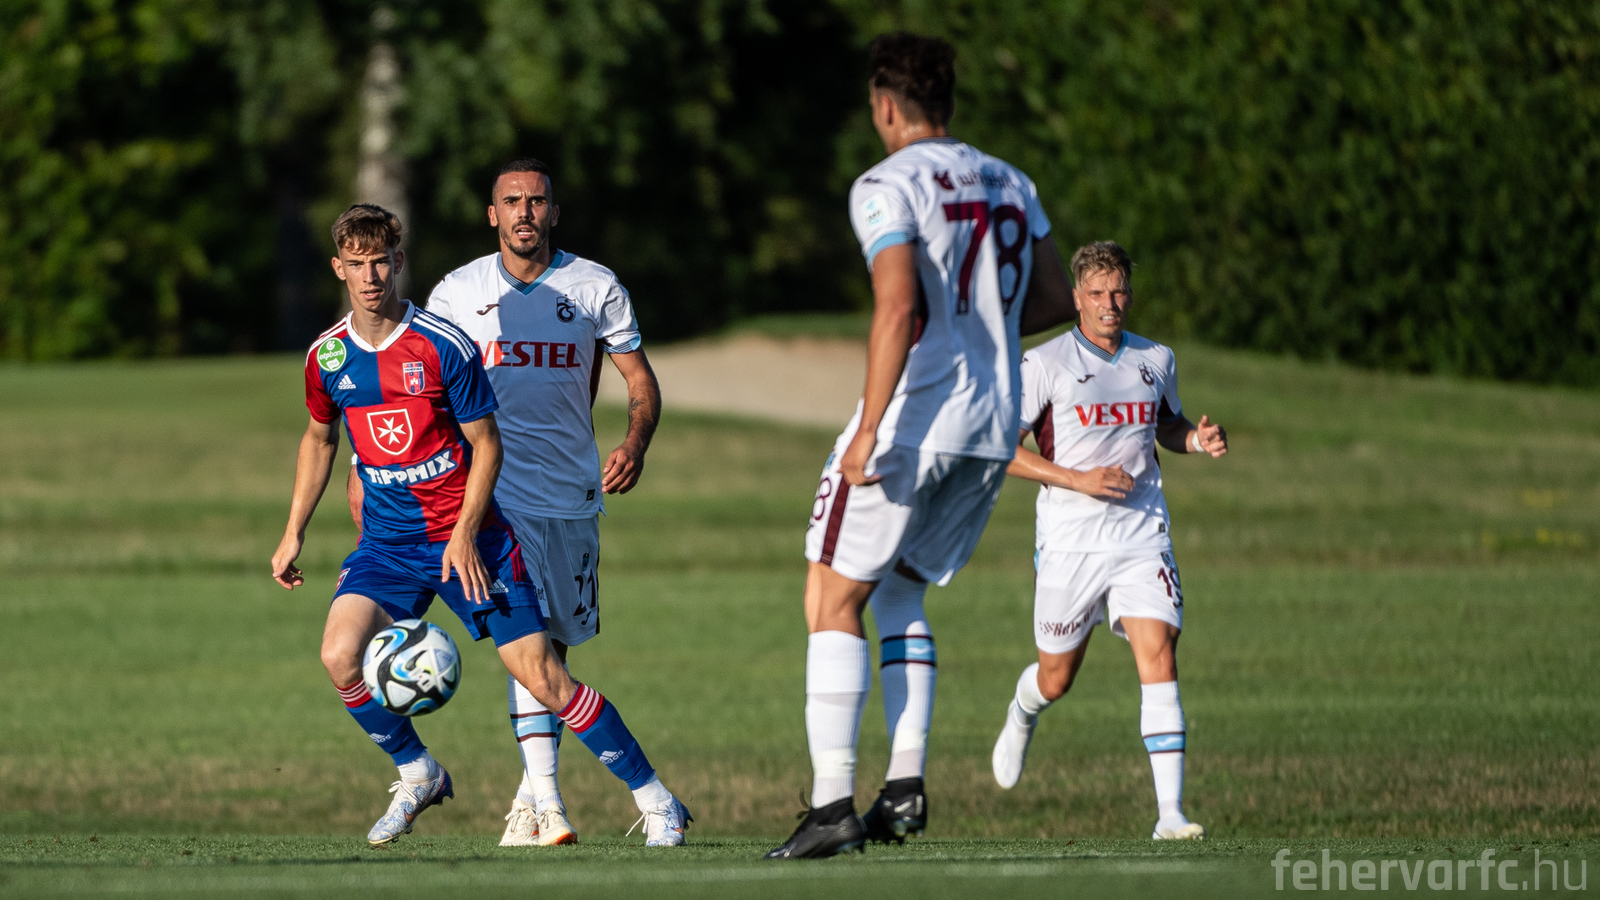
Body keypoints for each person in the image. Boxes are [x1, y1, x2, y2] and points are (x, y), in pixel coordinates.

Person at [273, 204, 689, 848]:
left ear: (398, 261)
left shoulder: (443, 344)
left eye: (380, 262)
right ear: (338, 269)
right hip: (387, 546)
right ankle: (418, 773)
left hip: (472, 541)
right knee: (339, 656)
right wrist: (293, 531)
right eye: (357, 264)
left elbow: (486, 444)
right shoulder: (327, 355)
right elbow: (320, 439)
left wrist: (466, 532)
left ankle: (658, 800)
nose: (371, 276)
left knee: (545, 677)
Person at [765, 32, 1076, 859]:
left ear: (885, 105)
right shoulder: (1011, 180)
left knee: (830, 597)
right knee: (900, 590)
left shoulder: (886, 183)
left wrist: (868, 429)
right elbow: (1056, 296)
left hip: (917, 420)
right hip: (991, 427)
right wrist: (984, 329)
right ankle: (903, 787)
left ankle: (831, 805)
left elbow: (897, 305)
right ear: (949, 101)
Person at [989, 240, 1227, 841]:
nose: (1109, 304)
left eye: (1118, 291)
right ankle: (1024, 708)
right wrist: (1079, 480)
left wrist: (1195, 440)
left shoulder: (1156, 358)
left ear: (1130, 294)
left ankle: (1169, 814)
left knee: (1159, 652)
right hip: (1070, 542)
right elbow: (1001, 452)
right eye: (1096, 293)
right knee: (1056, 678)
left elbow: (1165, 424)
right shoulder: (1044, 364)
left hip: (1141, 533)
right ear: (1077, 297)